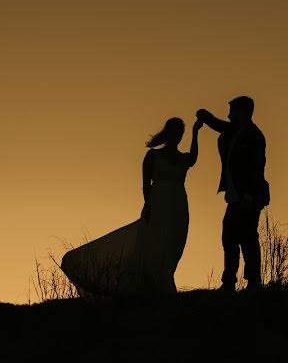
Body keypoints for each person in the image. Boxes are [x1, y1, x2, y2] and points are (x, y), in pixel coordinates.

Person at [61, 116, 202, 297]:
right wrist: (148, 204)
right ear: (168, 133)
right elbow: (145, 183)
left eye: (180, 132)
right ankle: (156, 287)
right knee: (153, 244)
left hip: (179, 207)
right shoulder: (153, 155)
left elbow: (193, 158)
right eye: (174, 132)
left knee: (173, 244)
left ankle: (161, 281)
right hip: (158, 204)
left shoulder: (183, 158)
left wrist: (196, 133)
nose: (177, 135)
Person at [196, 96, 269, 291]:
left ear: (242, 113)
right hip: (237, 196)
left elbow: (256, 168)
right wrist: (206, 116)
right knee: (230, 237)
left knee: (247, 239)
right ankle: (230, 281)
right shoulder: (235, 131)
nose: (229, 115)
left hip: (248, 197)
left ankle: (252, 282)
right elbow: (219, 125)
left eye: (232, 112)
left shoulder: (254, 136)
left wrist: (248, 195)